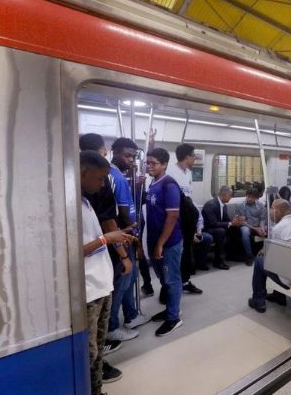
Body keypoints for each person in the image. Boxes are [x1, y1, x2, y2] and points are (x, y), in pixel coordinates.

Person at [79, 150, 134, 395]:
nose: (102, 184)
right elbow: (73, 252)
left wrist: (117, 238)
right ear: (83, 172)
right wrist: (106, 238)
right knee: (87, 353)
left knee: (99, 349)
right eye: (99, 178)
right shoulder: (70, 207)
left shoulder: (87, 202)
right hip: (89, 291)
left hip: (102, 286)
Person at [107, 137, 150, 342]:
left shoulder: (119, 176)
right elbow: (125, 213)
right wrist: (135, 236)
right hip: (123, 237)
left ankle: (131, 315)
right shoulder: (115, 176)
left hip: (122, 236)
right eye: (127, 155)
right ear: (113, 152)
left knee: (129, 279)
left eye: (133, 156)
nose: (131, 160)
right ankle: (112, 326)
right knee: (122, 282)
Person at [145, 148, 185, 336]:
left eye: (153, 163)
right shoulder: (153, 183)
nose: (149, 166)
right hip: (155, 240)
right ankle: (171, 308)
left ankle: (174, 317)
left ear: (164, 165)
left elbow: (172, 216)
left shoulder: (168, 185)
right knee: (163, 278)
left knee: (172, 279)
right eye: (148, 162)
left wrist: (160, 243)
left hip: (169, 243)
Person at [248, 198, 291, 313]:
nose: (269, 212)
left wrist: (263, 250)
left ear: (277, 212)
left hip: (290, 276)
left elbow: (272, 256)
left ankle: (258, 301)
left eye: (271, 209)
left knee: (260, 261)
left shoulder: (277, 229)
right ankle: (279, 296)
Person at [165, 143, 203, 295]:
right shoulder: (170, 171)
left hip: (188, 217)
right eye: (193, 155)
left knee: (187, 252)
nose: (194, 158)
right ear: (187, 156)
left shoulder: (188, 173)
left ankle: (185, 281)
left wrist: (198, 222)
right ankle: (168, 287)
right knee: (175, 253)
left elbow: (189, 197)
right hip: (177, 217)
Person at [201, 186, 243, 270]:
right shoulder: (211, 205)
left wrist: (234, 221)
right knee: (221, 232)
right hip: (208, 229)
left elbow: (226, 220)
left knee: (236, 229)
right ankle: (218, 261)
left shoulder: (223, 205)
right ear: (225, 195)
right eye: (230, 195)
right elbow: (212, 223)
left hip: (217, 227)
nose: (231, 198)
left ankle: (231, 255)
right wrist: (230, 223)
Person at [235, 188, 267, 266]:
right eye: (248, 196)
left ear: (256, 198)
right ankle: (249, 255)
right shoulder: (240, 205)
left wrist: (261, 228)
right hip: (246, 226)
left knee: (271, 229)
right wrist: (256, 229)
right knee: (245, 232)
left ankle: (266, 252)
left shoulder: (261, 205)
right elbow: (242, 222)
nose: (249, 199)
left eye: (252, 197)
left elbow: (262, 219)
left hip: (258, 226)